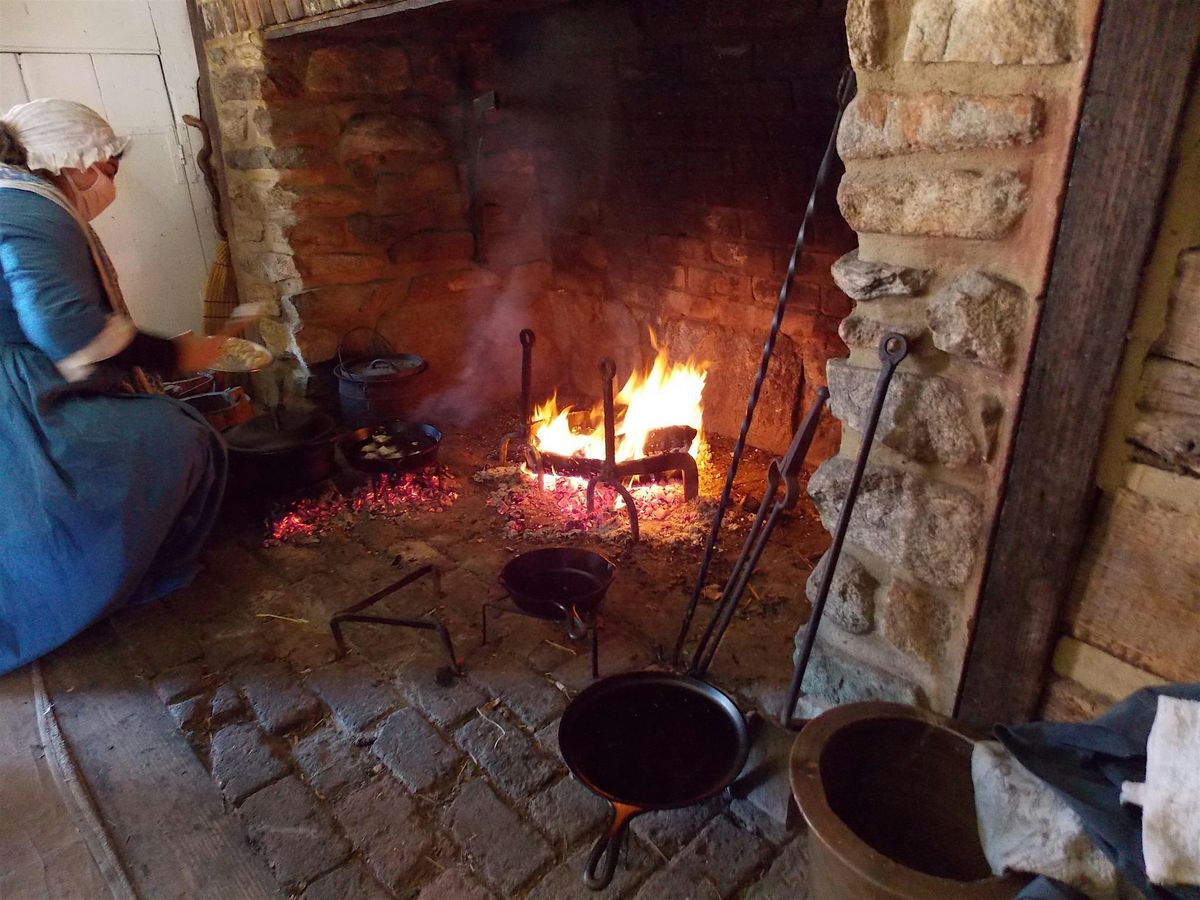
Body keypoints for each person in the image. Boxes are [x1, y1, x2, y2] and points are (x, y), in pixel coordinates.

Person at [0, 98, 228, 673]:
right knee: (171, 436)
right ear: (78, 163)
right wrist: (179, 353)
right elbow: (63, 327)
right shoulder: (29, 208)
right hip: (14, 388)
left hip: (22, 369)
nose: (110, 183)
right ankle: (94, 576)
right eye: (110, 168)